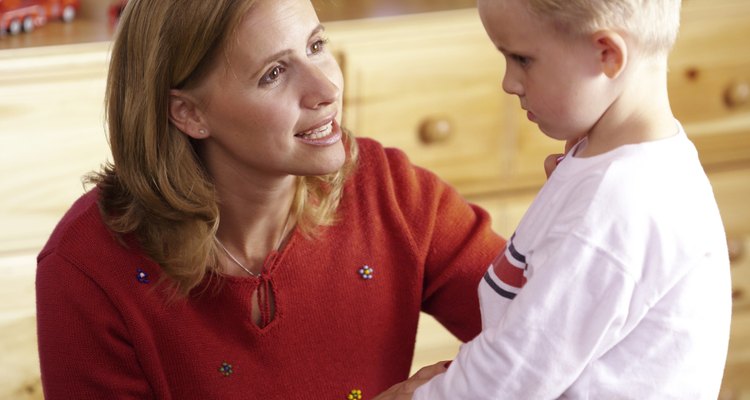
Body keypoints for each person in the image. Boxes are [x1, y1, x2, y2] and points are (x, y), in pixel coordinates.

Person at [34, 0, 509, 398]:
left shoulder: (394, 196)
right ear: (189, 113)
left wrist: (580, 195)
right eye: (274, 73)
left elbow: (551, 337)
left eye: (317, 46)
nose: (326, 90)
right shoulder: (86, 268)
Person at [375, 0, 733, 398]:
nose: (509, 82)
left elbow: (514, 373)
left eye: (523, 59)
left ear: (607, 55)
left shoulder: (616, 204)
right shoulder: (622, 168)